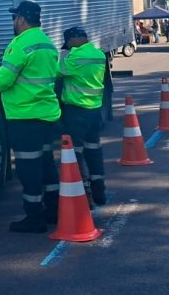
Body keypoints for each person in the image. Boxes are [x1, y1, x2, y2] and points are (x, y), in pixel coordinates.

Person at [0, 0, 61, 233]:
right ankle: (55, 210)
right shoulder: (47, 43)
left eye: (14, 18)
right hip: (47, 115)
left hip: (25, 117)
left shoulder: (20, 45)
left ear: (21, 19)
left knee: (28, 168)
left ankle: (34, 218)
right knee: (46, 163)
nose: (13, 22)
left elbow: (3, 80)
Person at [58, 26, 108, 207]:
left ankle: (84, 193)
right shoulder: (99, 54)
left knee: (76, 154)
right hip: (94, 110)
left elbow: (59, 71)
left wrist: (63, 54)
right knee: (94, 151)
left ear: (72, 40)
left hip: (76, 112)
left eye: (68, 44)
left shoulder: (74, 57)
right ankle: (99, 191)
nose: (68, 47)